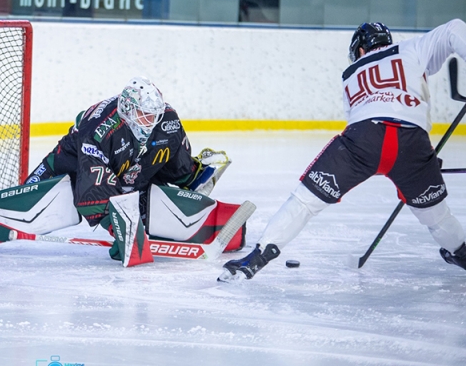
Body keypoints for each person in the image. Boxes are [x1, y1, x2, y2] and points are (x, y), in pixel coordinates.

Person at [220, 20, 466, 281]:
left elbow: (367, 118)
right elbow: (454, 29)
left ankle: (255, 259)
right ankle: (460, 253)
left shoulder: (350, 74)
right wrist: (423, 160)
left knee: (305, 201)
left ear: (360, 50)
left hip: (363, 140)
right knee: (436, 217)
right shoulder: (412, 48)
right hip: (413, 144)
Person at [25, 76, 229, 237]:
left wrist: (191, 177)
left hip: (123, 165)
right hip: (73, 155)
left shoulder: (165, 119)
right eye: (145, 114)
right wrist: (117, 226)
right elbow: (94, 181)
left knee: (159, 146)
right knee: (29, 194)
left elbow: (174, 152)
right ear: (129, 109)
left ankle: (171, 189)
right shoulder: (99, 129)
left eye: (154, 114)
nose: (151, 121)